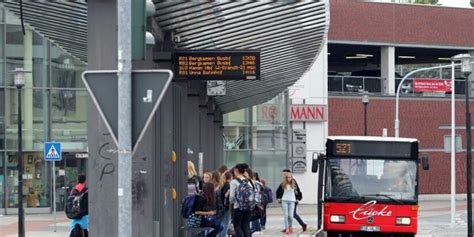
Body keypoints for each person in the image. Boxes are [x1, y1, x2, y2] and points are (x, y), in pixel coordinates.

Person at [229, 163, 252, 237]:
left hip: (238, 207)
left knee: (237, 226)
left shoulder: (234, 182)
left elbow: (232, 197)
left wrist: (231, 203)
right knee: (245, 225)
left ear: (236, 170)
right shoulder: (248, 181)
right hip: (248, 207)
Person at [218, 170, 232, 237]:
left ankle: (221, 235)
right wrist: (229, 192)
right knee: (225, 223)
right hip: (226, 207)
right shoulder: (227, 185)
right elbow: (226, 196)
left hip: (221, 206)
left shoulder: (222, 184)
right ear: (230, 177)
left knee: (222, 223)